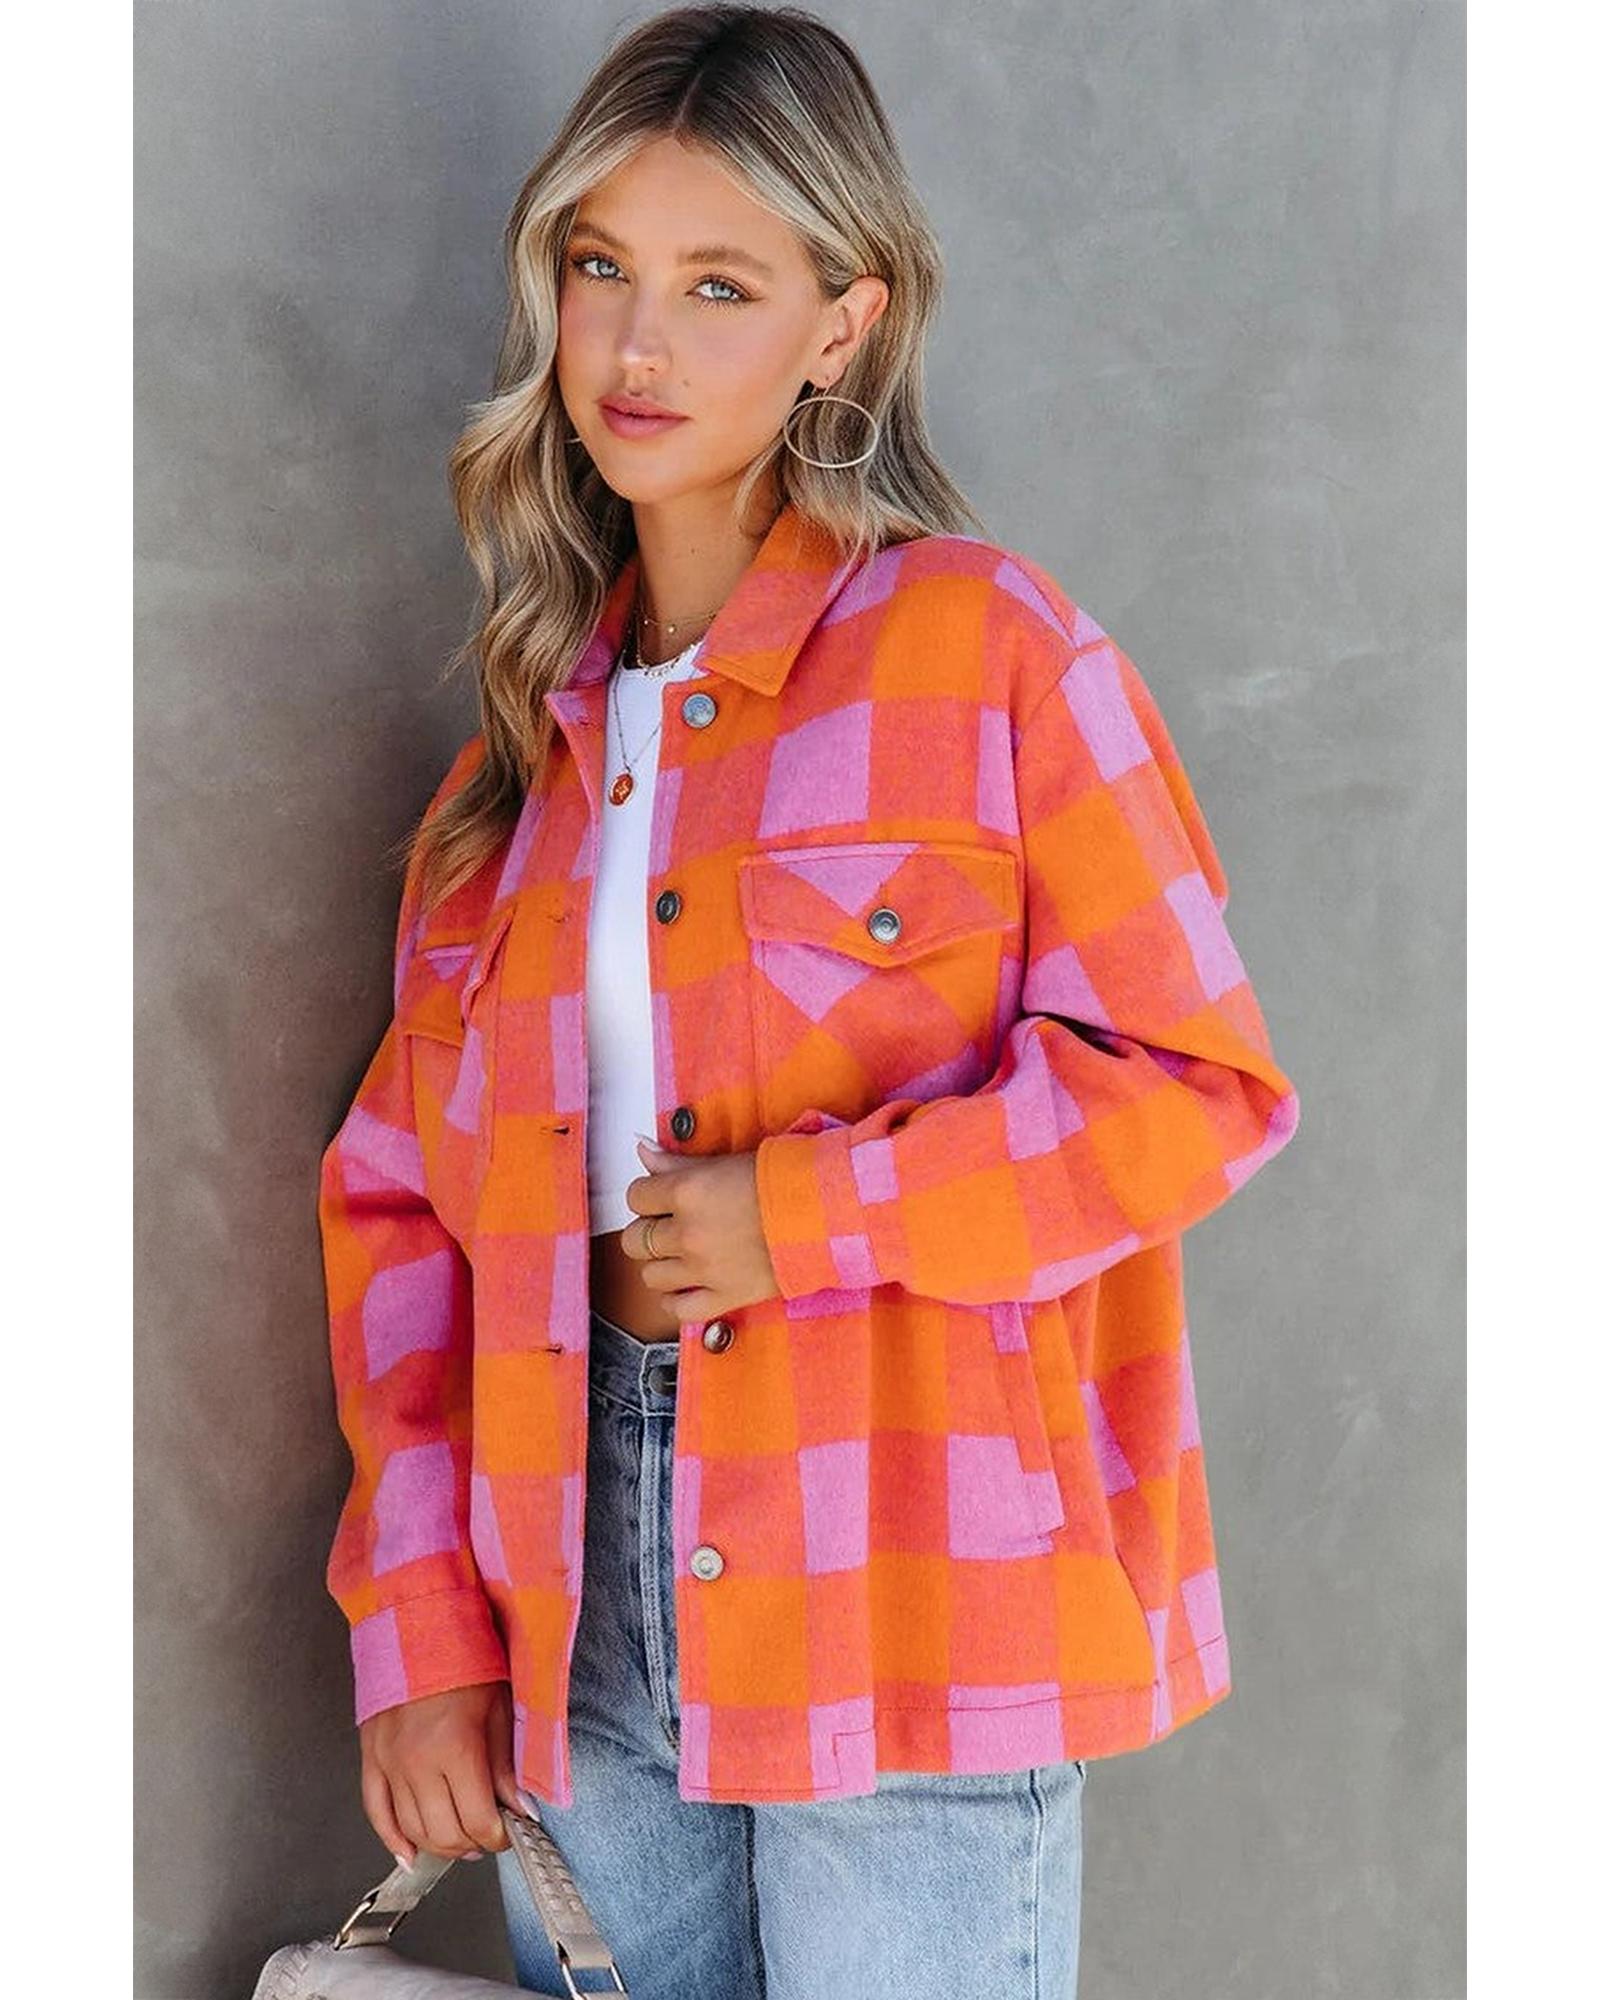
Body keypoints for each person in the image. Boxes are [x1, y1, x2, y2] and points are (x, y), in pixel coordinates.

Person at [316, 7, 1301, 1994]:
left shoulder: (989, 653)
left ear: (842, 326)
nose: (636, 345)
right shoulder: (515, 768)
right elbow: (400, 1209)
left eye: (719, 285)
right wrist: (418, 1628)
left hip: (910, 1562)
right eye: (600, 266)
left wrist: (808, 1214)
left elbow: (1195, 1084)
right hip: (572, 1582)